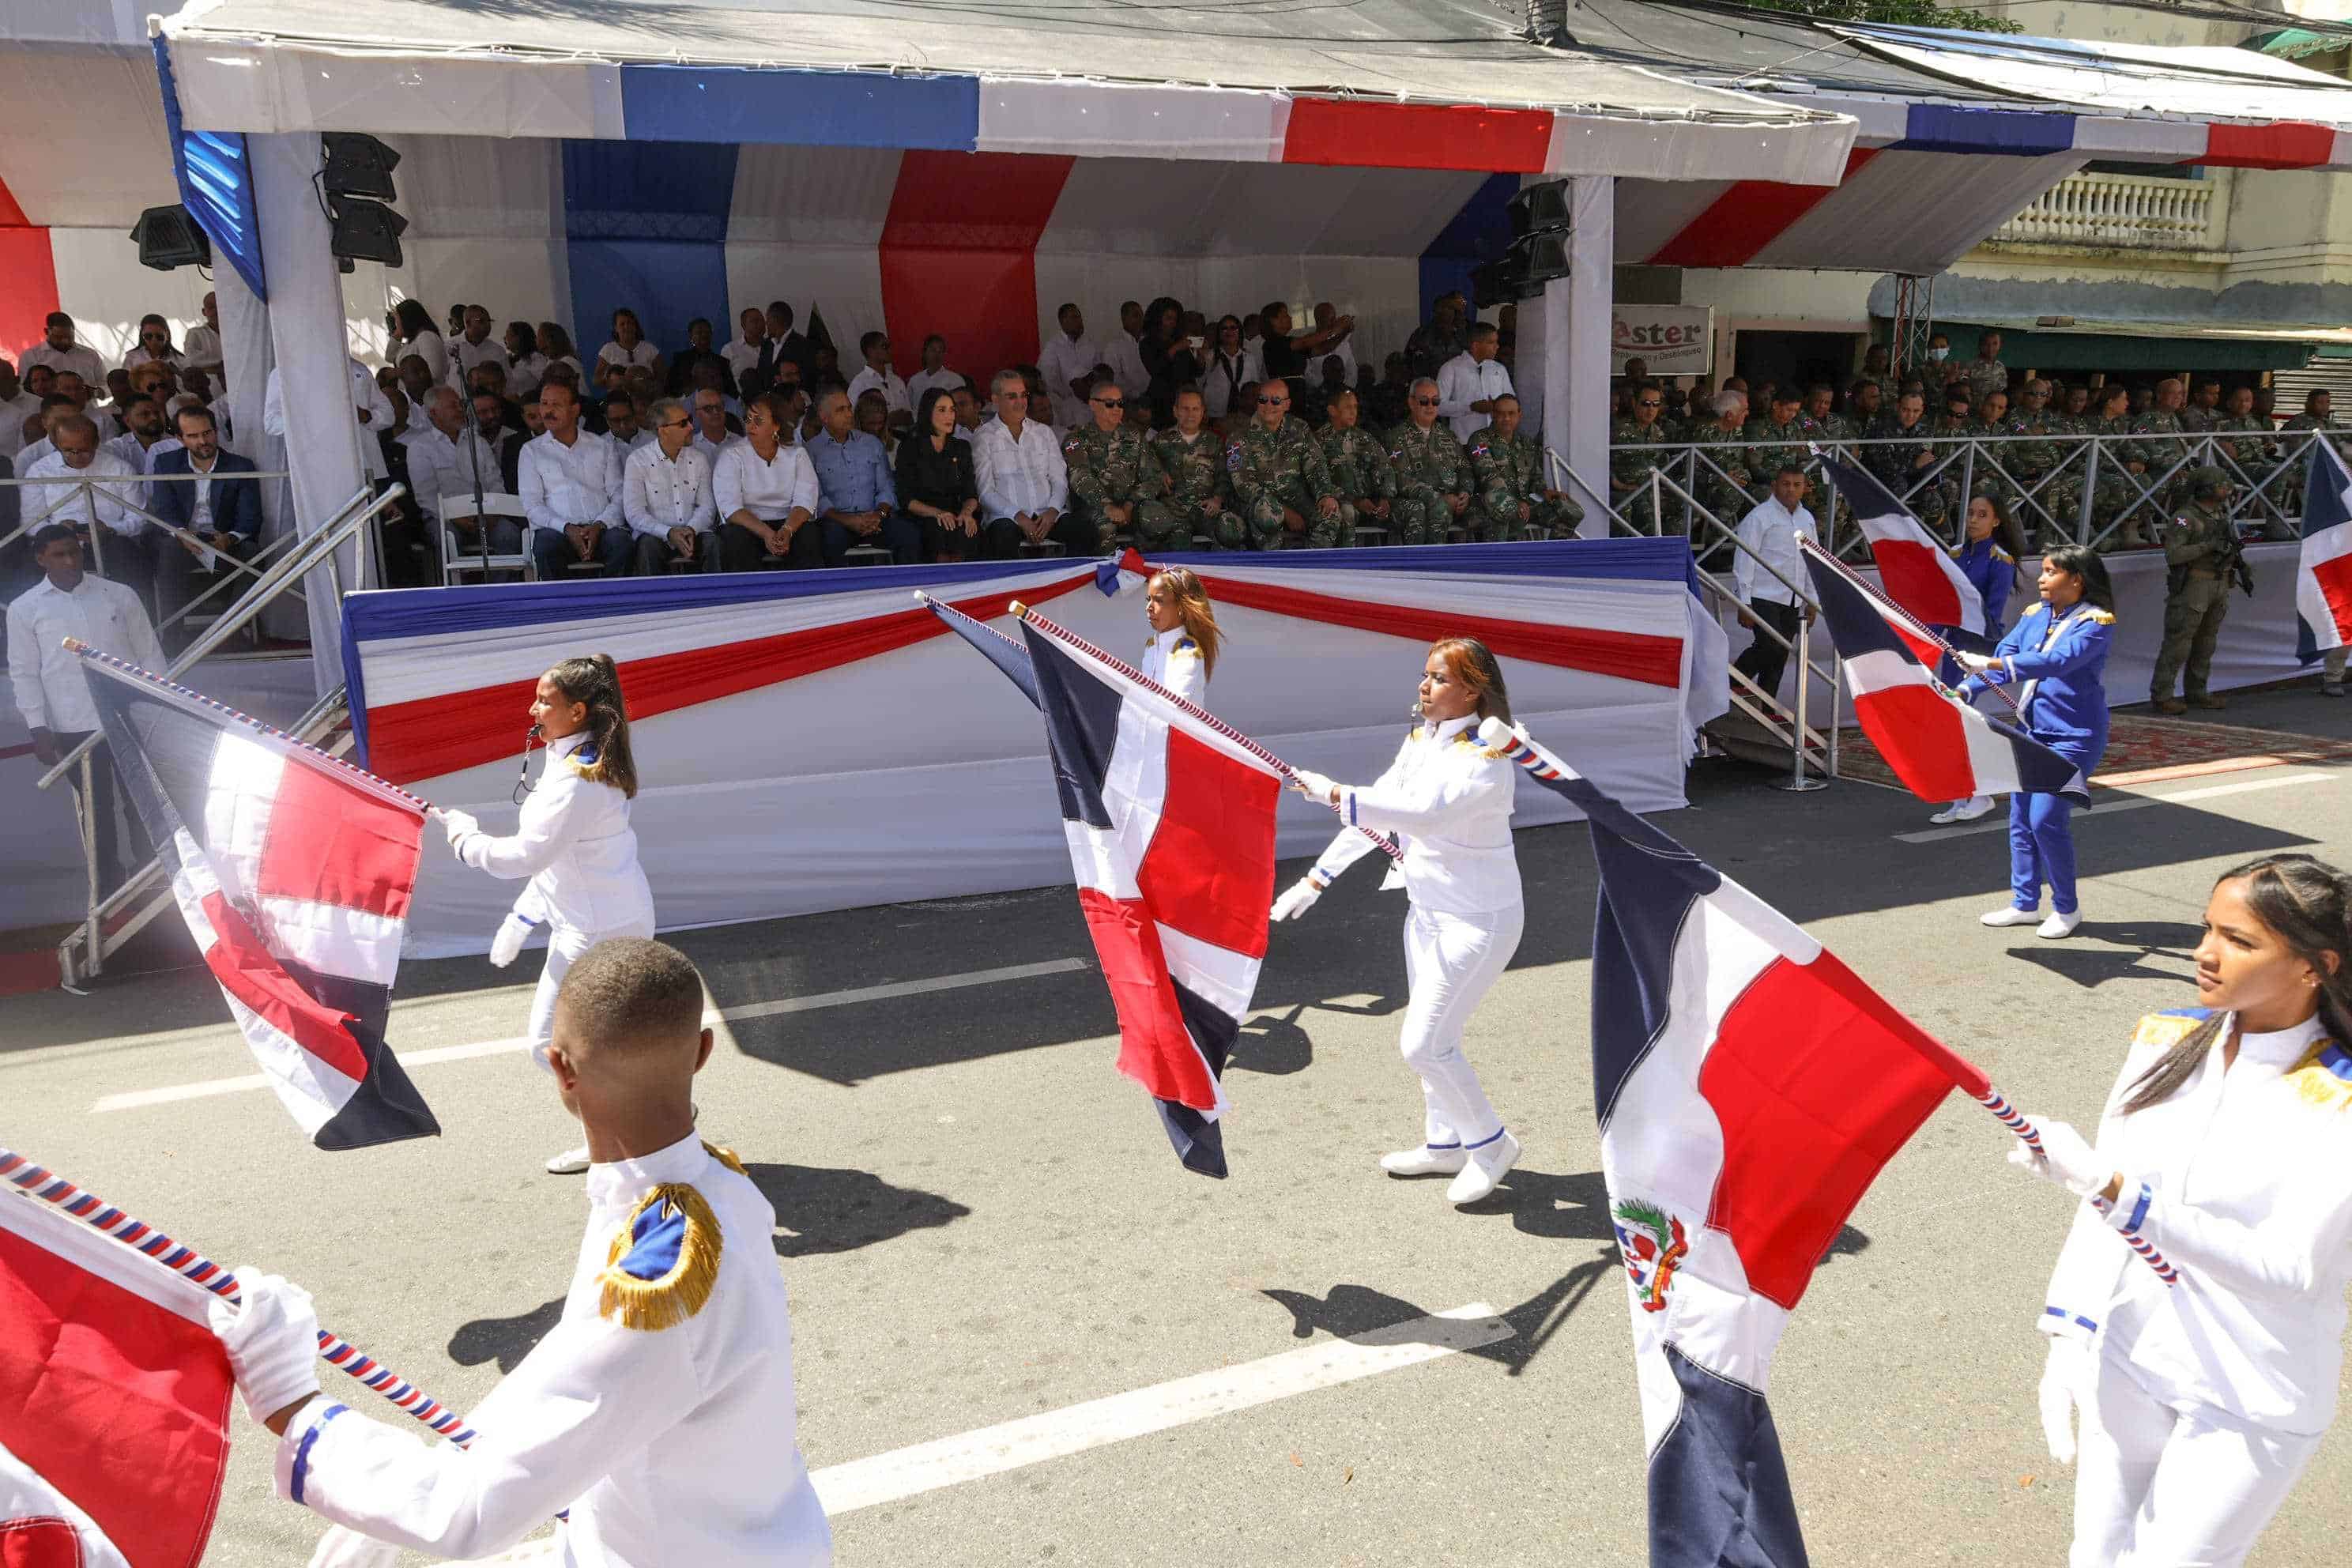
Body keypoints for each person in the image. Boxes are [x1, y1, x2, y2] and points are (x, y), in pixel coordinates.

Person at [209, 937, 831, 1566]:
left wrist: (292, 1403)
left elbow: (465, 1513)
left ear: (561, 1068)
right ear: (702, 1052)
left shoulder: (660, 1280)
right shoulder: (717, 1190)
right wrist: (424, 1475)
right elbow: (566, 1381)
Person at [2005, 853, 2352, 1568]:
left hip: (2253, 1394)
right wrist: (2069, 1328)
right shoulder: (2164, 1037)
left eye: (2241, 940)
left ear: (2315, 965)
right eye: (2206, 928)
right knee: (2093, 1559)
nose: (2205, 953)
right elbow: (2101, 1208)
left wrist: (2116, 1189)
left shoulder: (2340, 1094)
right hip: (2128, 1357)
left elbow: (2287, 1268)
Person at [1272, 639, 1525, 1205]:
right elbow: (1381, 808)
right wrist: (1316, 880)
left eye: (1438, 678)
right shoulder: (1422, 741)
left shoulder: (1487, 759)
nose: (1423, 686)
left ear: (1472, 690)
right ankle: (1445, 1144)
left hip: (1478, 920)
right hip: (1428, 910)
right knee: (1439, 1038)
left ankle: (1491, 1145)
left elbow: (1424, 818)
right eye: (1425, 675)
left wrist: (1336, 792)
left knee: (1424, 1044)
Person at [438, 656, 658, 1173]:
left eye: (544, 700)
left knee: (551, 1046)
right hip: (605, 917)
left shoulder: (575, 779)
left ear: (577, 710)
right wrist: (521, 921)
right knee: (606, 1044)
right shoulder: (580, 756)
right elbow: (564, 861)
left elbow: (525, 857)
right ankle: (648, 1122)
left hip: (596, 931)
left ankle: (629, 1137)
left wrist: (464, 840)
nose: (532, 708)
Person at [1958, 545, 2115, 940]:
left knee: (2046, 819)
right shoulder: (2033, 616)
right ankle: (2025, 903)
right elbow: (2006, 654)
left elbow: (2058, 661)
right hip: (2032, 729)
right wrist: (1966, 688)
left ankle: (2067, 908)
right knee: (2020, 818)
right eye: (2042, 571)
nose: (2041, 579)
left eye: (2050, 572)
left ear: (2076, 578)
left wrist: (1992, 665)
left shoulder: (2096, 622)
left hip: (2074, 736)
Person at [7, 522, 160, 888]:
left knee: (142, 803)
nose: (70, 561)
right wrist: (38, 727)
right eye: (59, 555)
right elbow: (25, 672)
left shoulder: (118, 595)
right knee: (95, 812)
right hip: (72, 723)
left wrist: (159, 709)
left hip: (130, 716)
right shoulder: (24, 609)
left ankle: (154, 878)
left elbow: (150, 654)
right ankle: (107, 888)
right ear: (41, 559)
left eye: (74, 552)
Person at [1931, 493, 2026, 825]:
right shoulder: (1955, 554)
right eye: (1970, 513)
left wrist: (1976, 652)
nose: (1973, 520)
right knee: (1953, 720)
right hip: (1952, 644)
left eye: (1982, 515)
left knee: (1964, 719)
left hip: (1977, 649)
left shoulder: (2001, 561)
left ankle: (1979, 793)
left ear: (1996, 521)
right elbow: (1942, 600)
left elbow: (1992, 614)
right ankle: (1964, 796)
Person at [149, 405, 263, 638]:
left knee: (254, 553)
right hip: (182, 538)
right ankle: (172, 636)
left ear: (215, 431)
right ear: (180, 438)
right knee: (169, 549)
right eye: (193, 436)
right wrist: (181, 534)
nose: (203, 441)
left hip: (222, 537)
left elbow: (250, 516)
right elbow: (163, 509)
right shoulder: (166, 463)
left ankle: (233, 629)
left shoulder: (241, 466)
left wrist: (230, 538)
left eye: (207, 433)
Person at [972, 369, 1085, 558]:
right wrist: (1019, 516)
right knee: (1002, 536)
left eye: (1023, 395)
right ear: (996, 400)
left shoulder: (1043, 433)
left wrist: (1053, 511)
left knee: (1085, 531)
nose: (1020, 402)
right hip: (1007, 518)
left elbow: (1059, 479)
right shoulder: (984, 437)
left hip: (1047, 514)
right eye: (1012, 397)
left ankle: (1069, 585)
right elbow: (985, 492)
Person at [521, 383, 631, 579]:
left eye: (556, 405)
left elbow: (619, 496)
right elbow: (532, 506)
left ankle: (611, 604)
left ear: (575, 410)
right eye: (544, 404)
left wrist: (599, 525)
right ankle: (562, 608)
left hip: (600, 528)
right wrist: (567, 528)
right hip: (557, 531)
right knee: (545, 546)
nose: (548, 411)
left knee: (622, 542)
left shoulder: (602, 446)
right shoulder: (531, 451)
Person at [1730, 466, 1819, 699]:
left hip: (1793, 598)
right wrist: (1743, 602)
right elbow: (1744, 560)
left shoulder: (1807, 519)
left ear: (1804, 489)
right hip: (1762, 595)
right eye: (1786, 484)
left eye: (1797, 485)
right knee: (1770, 646)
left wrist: (1812, 601)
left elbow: (1812, 561)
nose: (1791, 490)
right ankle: (1731, 681)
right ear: (1775, 486)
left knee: (1778, 660)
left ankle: (1766, 709)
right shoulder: (1759, 517)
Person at [1229, 379, 1342, 549]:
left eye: (1275, 401)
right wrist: (1285, 512)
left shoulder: (1299, 428)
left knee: (1330, 512)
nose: (1268, 406)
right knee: (1267, 512)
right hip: (1259, 505)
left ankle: (1314, 564)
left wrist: (1325, 494)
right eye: (1263, 400)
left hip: (1296, 498)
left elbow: (1316, 465)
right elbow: (1245, 486)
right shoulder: (1239, 437)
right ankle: (1275, 565)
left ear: (1287, 405)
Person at [714, 392, 821, 571]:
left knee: (810, 533)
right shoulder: (732, 455)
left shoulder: (796, 454)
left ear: (776, 425)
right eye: (748, 419)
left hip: (787, 523)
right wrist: (767, 533)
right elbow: (730, 507)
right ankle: (751, 596)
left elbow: (806, 500)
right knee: (733, 537)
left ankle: (807, 594)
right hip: (749, 525)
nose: (751, 426)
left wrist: (787, 531)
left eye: (759, 421)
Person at [806, 388, 914, 565]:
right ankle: (841, 593)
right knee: (829, 540)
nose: (849, 414)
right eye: (841, 410)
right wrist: (848, 520)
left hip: (874, 518)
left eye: (849, 408)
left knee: (909, 534)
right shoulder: (811, 450)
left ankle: (904, 590)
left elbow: (886, 487)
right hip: (836, 521)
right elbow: (816, 499)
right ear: (824, 417)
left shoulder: (872, 444)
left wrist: (879, 514)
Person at [1061, 379, 1170, 553]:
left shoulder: (1135, 437)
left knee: (1158, 519)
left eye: (1120, 403)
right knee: (1103, 528)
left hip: (1130, 507)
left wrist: (1130, 504)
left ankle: (1140, 570)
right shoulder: (1077, 439)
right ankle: (1106, 574)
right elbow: (1080, 477)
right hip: (1093, 508)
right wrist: (1107, 507)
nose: (1117, 409)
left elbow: (1153, 476)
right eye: (1110, 404)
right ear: (1092, 405)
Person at [624, 397, 718, 574]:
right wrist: (669, 533)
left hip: (694, 531)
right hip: (656, 535)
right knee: (647, 546)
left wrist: (691, 529)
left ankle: (719, 600)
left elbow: (707, 507)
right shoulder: (637, 461)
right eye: (683, 424)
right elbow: (634, 513)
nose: (691, 427)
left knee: (714, 543)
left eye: (689, 420)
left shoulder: (699, 459)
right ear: (663, 431)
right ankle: (653, 601)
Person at [1467, 394, 1579, 541]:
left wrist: (1544, 491)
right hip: (1490, 506)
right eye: (1501, 413)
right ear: (1493, 415)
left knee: (1572, 511)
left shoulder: (1526, 442)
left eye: (1511, 413)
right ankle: (1502, 560)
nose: (1506, 418)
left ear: (1520, 415)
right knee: (1507, 507)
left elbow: (1536, 477)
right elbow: (1488, 476)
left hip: (1525, 503)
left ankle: (1551, 557)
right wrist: (1515, 502)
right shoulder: (1479, 440)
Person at [895, 386, 981, 560]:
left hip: (955, 513)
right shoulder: (910, 447)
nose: (949, 416)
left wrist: (966, 512)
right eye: (942, 410)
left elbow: (970, 493)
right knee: (939, 530)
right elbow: (906, 499)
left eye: (952, 410)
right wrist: (937, 513)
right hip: (923, 514)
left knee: (966, 528)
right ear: (927, 413)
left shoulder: (961, 447)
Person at [1388, 378, 1472, 546]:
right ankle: (1426, 566)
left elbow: (1465, 468)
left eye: (1435, 401)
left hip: (1452, 502)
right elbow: (1401, 479)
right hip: (1414, 503)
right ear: (1412, 403)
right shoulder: (1396, 437)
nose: (1430, 406)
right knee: (1432, 510)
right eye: (1424, 401)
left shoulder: (1448, 436)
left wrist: (1465, 492)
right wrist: (1438, 498)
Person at [1321, 387, 1396, 546]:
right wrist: (1355, 501)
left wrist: (1384, 498)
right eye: (1348, 407)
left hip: (1371, 504)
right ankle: (1347, 565)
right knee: (1347, 512)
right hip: (1343, 503)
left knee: (1410, 510)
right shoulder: (1319, 441)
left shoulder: (1364, 437)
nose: (1353, 412)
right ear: (1332, 411)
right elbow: (1320, 482)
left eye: (1355, 407)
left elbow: (1385, 468)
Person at [1140, 566, 1221, 706]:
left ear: (1180, 608)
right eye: (1149, 599)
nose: (1149, 607)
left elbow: (1176, 707)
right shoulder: (1151, 646)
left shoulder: (1186, 651)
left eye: (1158, 600)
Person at [1435, 323, 1513, 446]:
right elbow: (1438, 406)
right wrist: (1470, 407)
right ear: (1476, 345)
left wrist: (1498, 406)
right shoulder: (1451, 368)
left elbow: (1511, 402)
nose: (1497, 347)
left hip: (1497, 443)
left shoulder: (1499, 369)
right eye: (1491, 342)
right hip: (1465, 442)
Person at [1038, 303, 1098, 432]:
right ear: (1063, 321)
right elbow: (1049, 380)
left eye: (1080, 318)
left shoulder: (1090, 345)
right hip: (1064, 408)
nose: (1079, 322)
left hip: (1090, 404)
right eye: (1074, 318)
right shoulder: (1053, 347)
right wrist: (1074, 390)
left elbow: (1098, 373)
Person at [1200, 315, 1263, 424]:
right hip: (1215, 415)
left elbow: (1256, 387)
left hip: (1243, 415)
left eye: (1233, 328)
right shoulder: (1210, 356)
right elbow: (1200, 384)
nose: (1229, 331)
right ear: (1219, 334)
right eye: (1224, 328)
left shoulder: (1249, 358)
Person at [21, 312, 105, 390]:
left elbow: (105, 384)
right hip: (47, 405)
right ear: (46, 332)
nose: (65, 341)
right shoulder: (31, 356)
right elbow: (24, 388)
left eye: (70, 337)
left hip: (87, 406)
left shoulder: (90, 355)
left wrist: (96, 393)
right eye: (59, 338)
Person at [390, 299, 448, 386]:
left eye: (397, 320)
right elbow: (390, 357)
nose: (396, 324)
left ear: (406, 320)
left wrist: (402, 372)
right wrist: (398, 334)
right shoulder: (412, 341)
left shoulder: (426, 337)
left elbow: (434, 372)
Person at [597, 307, 662, 386]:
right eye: (622, 324)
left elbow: (663, 377)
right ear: (616, 329)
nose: (626, 327)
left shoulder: (650, 349)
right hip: (618, 396)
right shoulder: (608, 349)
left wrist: (644, 380)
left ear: (635, 326)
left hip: (645, 396)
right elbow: (597, 380)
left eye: (630, 323)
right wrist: (613, 381)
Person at [447, 304, 503, 391]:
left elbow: (509, 385)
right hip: (457, 402)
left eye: (489, 321)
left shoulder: (497, 350)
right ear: (467, 323)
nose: (487, 325)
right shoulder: (449, 346)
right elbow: (440, 377)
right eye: (481, 321)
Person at [905, 334, 967, 409]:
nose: (937, 355)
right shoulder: (914, 381)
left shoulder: (956, 380)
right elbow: (909, 408)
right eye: (933, 350)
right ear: (924, 353)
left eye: (941, 351)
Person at [183, 291, 223, 380]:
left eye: (219, 305)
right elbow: (192, 361)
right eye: (211, 307)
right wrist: (223, 365)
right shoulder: (195, 333)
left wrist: (210, 366)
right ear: (204, 312)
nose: (216, 311)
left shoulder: (238, 332)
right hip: (212, 389)